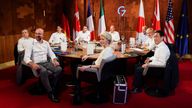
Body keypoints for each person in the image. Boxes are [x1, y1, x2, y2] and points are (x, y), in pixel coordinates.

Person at [73, 31, 115, 104]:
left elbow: (100, 65)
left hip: (96, 72)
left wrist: (87, 66)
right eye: (100, 39)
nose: (100, 41)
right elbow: (100, 55)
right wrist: (89, 56)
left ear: (108, 40)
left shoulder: (107, 50)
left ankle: (77, 94)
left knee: (76, 66)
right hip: (102, 72)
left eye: (102, 39)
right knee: (79, 63)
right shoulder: (108, 49)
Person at [24, 28, 62, 103]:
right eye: (36, 33)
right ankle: (50, 92)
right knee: (43, 71)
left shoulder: (46, 43)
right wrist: (32, 64)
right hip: (36, 64)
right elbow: (26, 57)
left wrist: (54, 60)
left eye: (39, 34)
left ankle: (53, 87)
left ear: (43, 35)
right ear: (35, 34)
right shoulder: (30, 44)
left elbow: (51, 53)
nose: (38, 35)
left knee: (59, 69)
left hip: (46, 62)